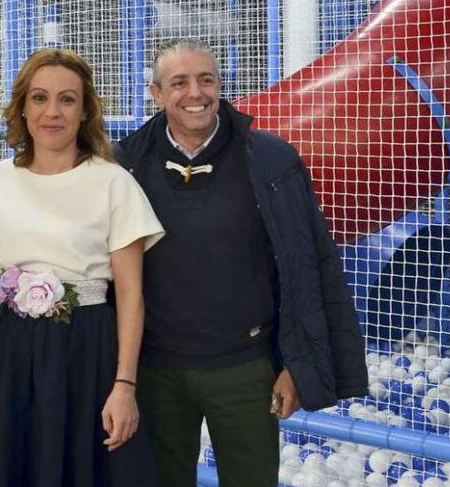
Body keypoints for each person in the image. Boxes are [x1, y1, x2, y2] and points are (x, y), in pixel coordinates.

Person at [113, 38, 369, 487]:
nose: (195, 92)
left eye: (206, 79)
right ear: (155, 93)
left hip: (246, 368)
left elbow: (307, 266)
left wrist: (295, 362)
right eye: (179, 82)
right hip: (155, 371)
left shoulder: (270, 159)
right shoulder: (125, 166)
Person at [0, 48, 164, 487]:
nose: (53, 112)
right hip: (8, 351)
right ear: (23, 107)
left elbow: (129, 295)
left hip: (86, 353)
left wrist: (124, 385)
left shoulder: (113, 183)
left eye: (67, 99)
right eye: (40, 97)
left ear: (85, 110)